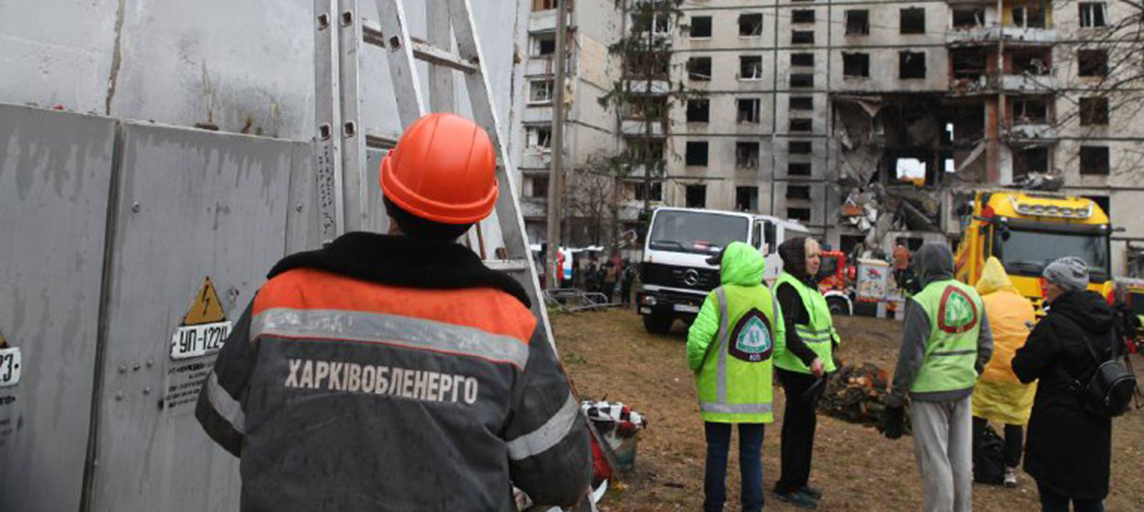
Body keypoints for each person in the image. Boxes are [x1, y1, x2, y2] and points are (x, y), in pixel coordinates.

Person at [195, 113, 592, 511]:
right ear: (477, 215)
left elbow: (222, 421)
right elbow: (565, 477)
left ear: (387, 193)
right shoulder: (509, 328)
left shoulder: (282, 297)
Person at [882, 242, 993, 512]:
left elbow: (910, 357)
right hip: (963, 389)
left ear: (922, 268)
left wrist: (895, 400)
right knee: (961, 461)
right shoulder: (973, 296)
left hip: (929, 393)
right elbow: (986, 346)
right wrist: (970, 370)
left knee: (935, 462)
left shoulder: (922, 301)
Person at [1012, 257, 1118, 512]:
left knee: (1055, 496)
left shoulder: (1053, 324)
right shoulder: (1105, 320)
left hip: (1057, 424)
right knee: (1089, 496)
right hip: (1096, 419)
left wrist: (1033, 339)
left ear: (1061, 286)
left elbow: (1023, 370)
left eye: (1048, 282)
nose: (1044, 287)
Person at [687, 241, 786, 512]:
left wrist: (695, 365)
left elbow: (697, 342)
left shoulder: (718, 297)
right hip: (756, 397)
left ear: (729, 265)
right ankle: (753, 507)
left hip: (720, 395)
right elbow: (777, 344)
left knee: (717, 451)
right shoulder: (770, 298)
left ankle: (714, 505)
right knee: (751, 455)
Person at [771, 237, 840, 508]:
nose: (816, 260)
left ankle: (799, 481)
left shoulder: (808, 285)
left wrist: (830, 350)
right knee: (797, 427)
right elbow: (786, 331)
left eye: (817, 256)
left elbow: (819, 326)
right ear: (797, 259)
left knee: (805, 425)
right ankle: (787, 485)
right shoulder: (788, 287)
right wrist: (811, 357)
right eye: (810, 255)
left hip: (813, 369)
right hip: (798, 369)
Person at [971, 257, 1036, 488]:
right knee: (1014, 421)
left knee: (977, 416)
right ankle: (1010, 471)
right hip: (1016, 374)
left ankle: (970, 465)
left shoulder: (980, 301)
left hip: (987, 373)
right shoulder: (1024, 303)